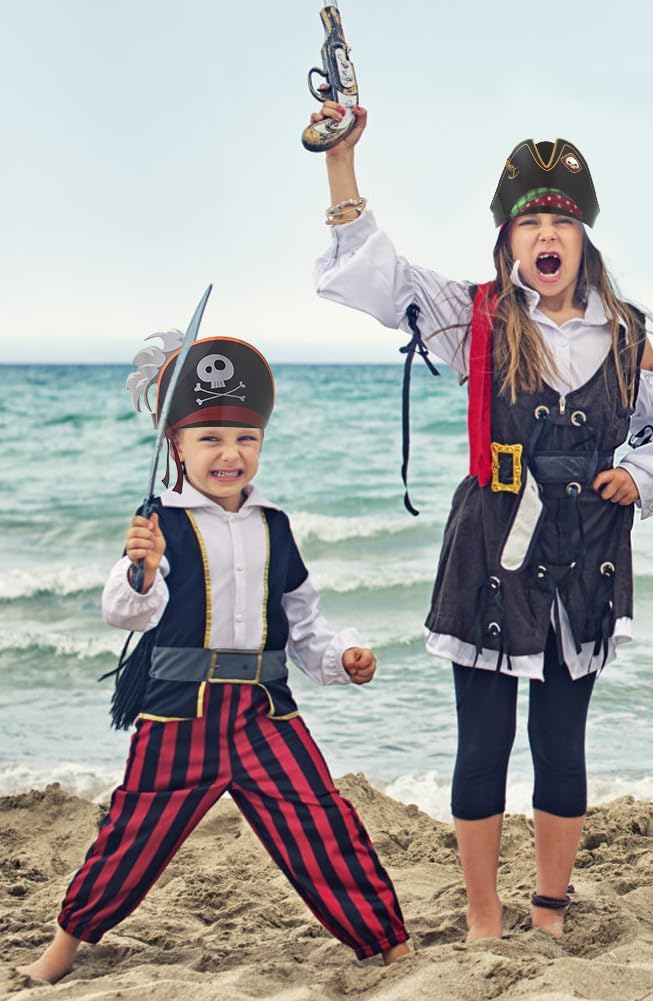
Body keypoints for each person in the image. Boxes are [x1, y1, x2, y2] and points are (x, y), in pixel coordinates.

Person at [310, 102, 653, 941]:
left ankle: (549, 910)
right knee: (483, 740)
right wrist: (341, 161)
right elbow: (379, 277)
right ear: (508, 238)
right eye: (530, 222)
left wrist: (637, 476)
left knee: (560, 740)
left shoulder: (631, 336)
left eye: (560, 220)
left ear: (584, 237)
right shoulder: (474, 315)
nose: (545, 235)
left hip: (586, 550)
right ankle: (484, 913)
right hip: (490, 545)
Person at [16, 334, 410, 984]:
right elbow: (127, 612)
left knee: (323, 822)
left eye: (245, 438)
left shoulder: (275, 525)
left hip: (265, 713)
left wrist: (343, 656)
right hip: (179, 714)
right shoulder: (159, 523)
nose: (230, 454)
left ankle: (388, 943)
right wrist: (142, 569)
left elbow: (302, 623)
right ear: (176, 446)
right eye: (209, 439)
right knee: (133, 835)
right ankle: (63, 947)